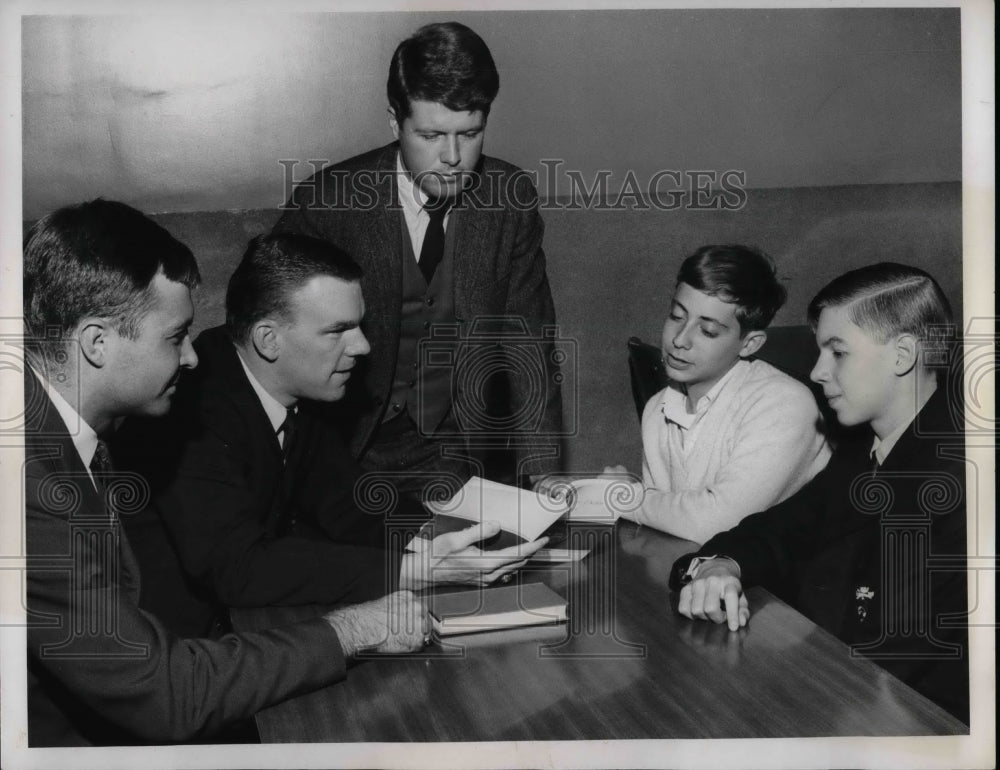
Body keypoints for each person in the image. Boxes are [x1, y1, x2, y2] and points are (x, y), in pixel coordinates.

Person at [22, 200, 430, 746]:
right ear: (98, 344)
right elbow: (167, 696)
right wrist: (353, 630)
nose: (191, 357)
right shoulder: (28, 485)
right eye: (174, 337)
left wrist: (424, 550)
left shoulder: (58, 430)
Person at [115, 232, 546, 637]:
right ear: (268, 339)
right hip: (172, 646)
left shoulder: (295, 387)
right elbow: (239, 567)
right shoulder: (188, 407)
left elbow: (349, 502)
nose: (362, 347)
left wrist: (447, 537)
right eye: (338, 331)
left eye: (358, 326)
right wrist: (420, 569)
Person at [272, 21, 562, 497]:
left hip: (449, 449)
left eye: (470, 134)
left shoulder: (510, 199)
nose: (452, 157)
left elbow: (528, 338)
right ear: (395, 122)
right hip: (341, 445)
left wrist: (544, 467)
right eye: (431, 135)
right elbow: (270, 328)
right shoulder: (329, 201)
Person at [670, 263, 968, 723]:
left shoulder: (958, 482)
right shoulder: (863, 451)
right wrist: (719, 565)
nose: (817, 371)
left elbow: (892, 661)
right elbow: (782, 528)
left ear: (903, 354)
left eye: (838, 352)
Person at [604, 245, 830, 543]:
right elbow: (666, 527)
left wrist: (624, 497)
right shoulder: (657, 408)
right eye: (676, 316)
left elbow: (716, 522)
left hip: (786, 584)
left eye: (708, 331)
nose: (680, 340)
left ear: (749, 344)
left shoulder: (785, 404)